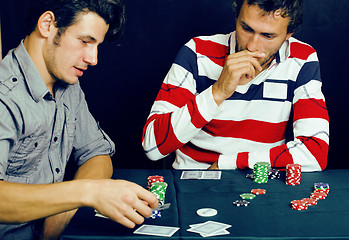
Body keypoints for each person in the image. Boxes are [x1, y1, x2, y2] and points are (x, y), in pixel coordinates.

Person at [0, 0, 158, 239]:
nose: (93, 59)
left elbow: (97, 153)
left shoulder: (68, 85)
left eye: (96, 45)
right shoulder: (4, 96)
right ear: (47, 24)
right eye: (85, 41)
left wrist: (62, 213)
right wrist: (88, 192)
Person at [142, 0, 329, 171]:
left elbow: (315, 152)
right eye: (246, 28)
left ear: (289, 33)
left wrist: (229, 163)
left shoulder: (302, 59)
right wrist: (218, 92)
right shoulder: (197, 52)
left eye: (268, 36)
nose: (252, 46)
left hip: (259, 180)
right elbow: (152, 146)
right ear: (236, 18)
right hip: (192, 182)